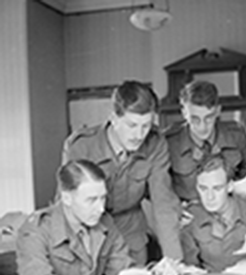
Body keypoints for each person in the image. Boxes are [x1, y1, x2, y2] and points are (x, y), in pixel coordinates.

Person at [62, 81, 182, 265]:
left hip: (131, 236)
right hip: (89, 236)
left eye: (146, 126)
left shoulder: (156, 144)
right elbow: (68, 208)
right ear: (113, 118)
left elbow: (163, 204)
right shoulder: (82, 146)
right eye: (131, 125)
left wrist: (174, 261)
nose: (139, 135)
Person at [17, 160, 154, 275]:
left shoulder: (104, 222)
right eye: (91, 200)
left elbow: (122, 267)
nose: (100, 208)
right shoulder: (35, 231)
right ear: (67, 198)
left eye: (103, 198)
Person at [164, 80, 246, 203]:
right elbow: (159, 190)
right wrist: (175, 208)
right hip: (189, 214)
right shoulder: (169, 143)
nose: (202, 127)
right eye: (195, 119)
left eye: (208, 118)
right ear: (184, 113)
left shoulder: (236, 136)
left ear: (218, 111)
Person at [180, 154, 246, 272]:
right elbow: (191, 270)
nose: (210, 197)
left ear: (230, 186)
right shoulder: (191, 218)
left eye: (217, 188)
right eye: (203, 188)